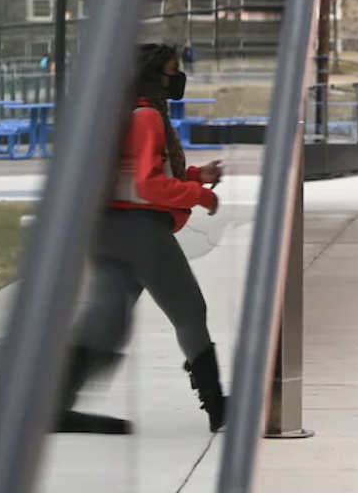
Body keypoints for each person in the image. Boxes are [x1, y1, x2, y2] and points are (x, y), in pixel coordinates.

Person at [54, 42, 228, 436]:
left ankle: (55, 404)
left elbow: (134, 174)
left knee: (107, 322)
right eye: (171, 70)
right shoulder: (147, 115)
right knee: (190, 311)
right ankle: (218, 406)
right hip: (140, 229)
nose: (176, 78)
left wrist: (195, 175)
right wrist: (201, 195)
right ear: (153, 74)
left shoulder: (121, 113)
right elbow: (149, 185)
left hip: (108, 227)